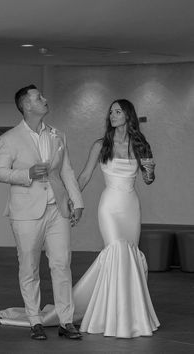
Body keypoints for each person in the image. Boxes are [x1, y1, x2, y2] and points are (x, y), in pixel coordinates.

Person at [0, 84, 84, 340]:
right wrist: (27, 174)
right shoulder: (9, 139)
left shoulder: (57, 135)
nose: (44, 99)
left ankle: (67, 322)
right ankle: (35, 320)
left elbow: (67, 171)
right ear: (26, 105)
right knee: (29, 266)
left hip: (58, 209)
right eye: (38, 97)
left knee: (61, 264)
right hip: (25, 211)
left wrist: (76, 202)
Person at [74, 98, 160, 337]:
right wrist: (71, 199)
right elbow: (84, 176)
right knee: (115, 251)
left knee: (130, 255)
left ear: (128, 116)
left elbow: (148, 179)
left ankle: (131, 315)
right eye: (110, 112)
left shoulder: (141, 145)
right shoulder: (101, 145)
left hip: (131, 206)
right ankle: (107, 316)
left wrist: (151, 172)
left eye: (117, 111)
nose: (112, 115)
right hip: (110, 206)